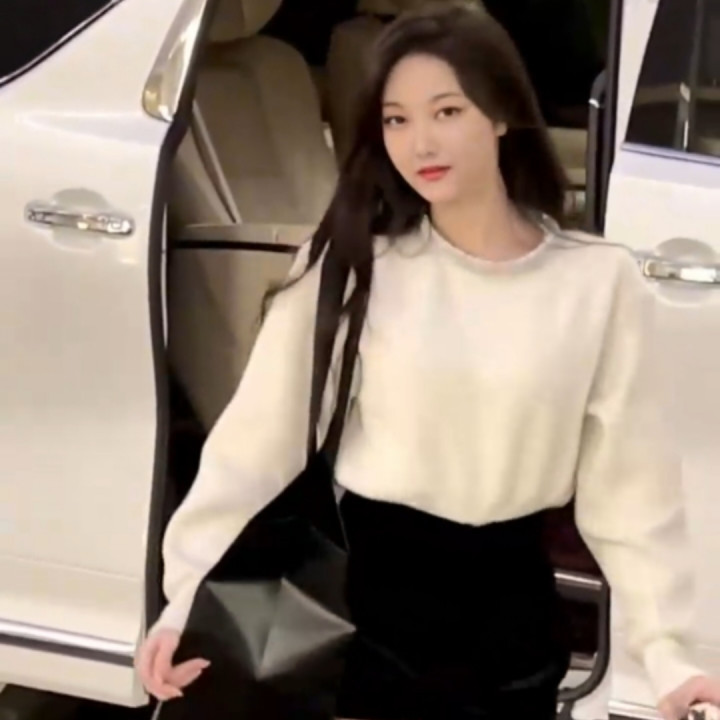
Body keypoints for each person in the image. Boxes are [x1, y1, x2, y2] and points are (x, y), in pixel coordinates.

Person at [136, 3, 720, 719]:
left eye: (447, 111)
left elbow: (632, 485)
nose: (420, 143)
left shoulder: (597, 282)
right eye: (397, 119)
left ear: (501, 114)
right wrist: (186, 599)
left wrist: (667, 655)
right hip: (367, 614)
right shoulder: (360, 264)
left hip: (514, 619)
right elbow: (257, 444)